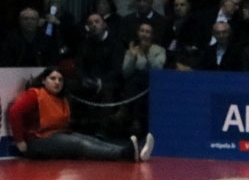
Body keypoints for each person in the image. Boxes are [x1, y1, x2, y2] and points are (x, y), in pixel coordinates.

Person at [9, 67, 152, 161]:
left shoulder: (61, 98)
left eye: (60, 79)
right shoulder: (35, 94)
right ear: (43, 80)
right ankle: (123, 155)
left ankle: (134, 152)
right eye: (53, 79)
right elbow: (15, 112)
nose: (57, 82)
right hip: (38, 141)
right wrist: (20, 141)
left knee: (90, 140)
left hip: (57, 134)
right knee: (79, 144)